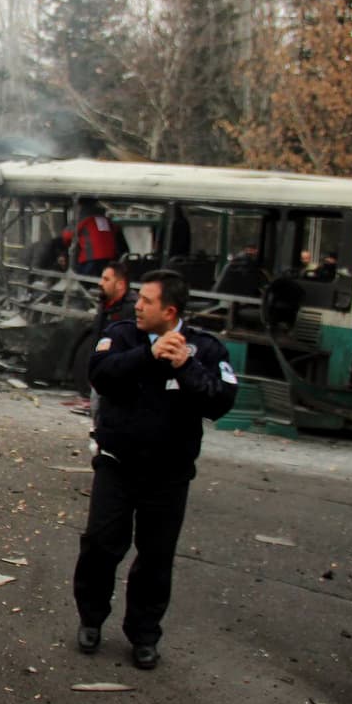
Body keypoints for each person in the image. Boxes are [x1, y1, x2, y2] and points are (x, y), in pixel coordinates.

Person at [73, 269, 238, 670]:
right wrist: (148, 354)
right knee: (100, 544)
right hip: (117, 464)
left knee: (155, 557)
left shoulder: (205, 349)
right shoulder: (122, 335)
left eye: (146, 301)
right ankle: (91, 619)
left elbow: (221, 402)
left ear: (170, 310)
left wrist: (185, 366)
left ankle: (144, 635)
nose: (138, 305)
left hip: (169, 474)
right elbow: (99, 375)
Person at [89, 262, 138, 425]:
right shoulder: (104, 304)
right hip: (101, 373)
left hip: (120, 378)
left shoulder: (133, 309)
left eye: (106, 279)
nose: (100, 283)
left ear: (120, 284)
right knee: (97, 414)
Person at [73, 200, 120, 276]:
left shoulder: (83, 219)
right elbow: (116, 231)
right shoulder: (106, 220)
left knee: (84, 278)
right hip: (110, 257)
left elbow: (67, 236)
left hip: (91, 258)